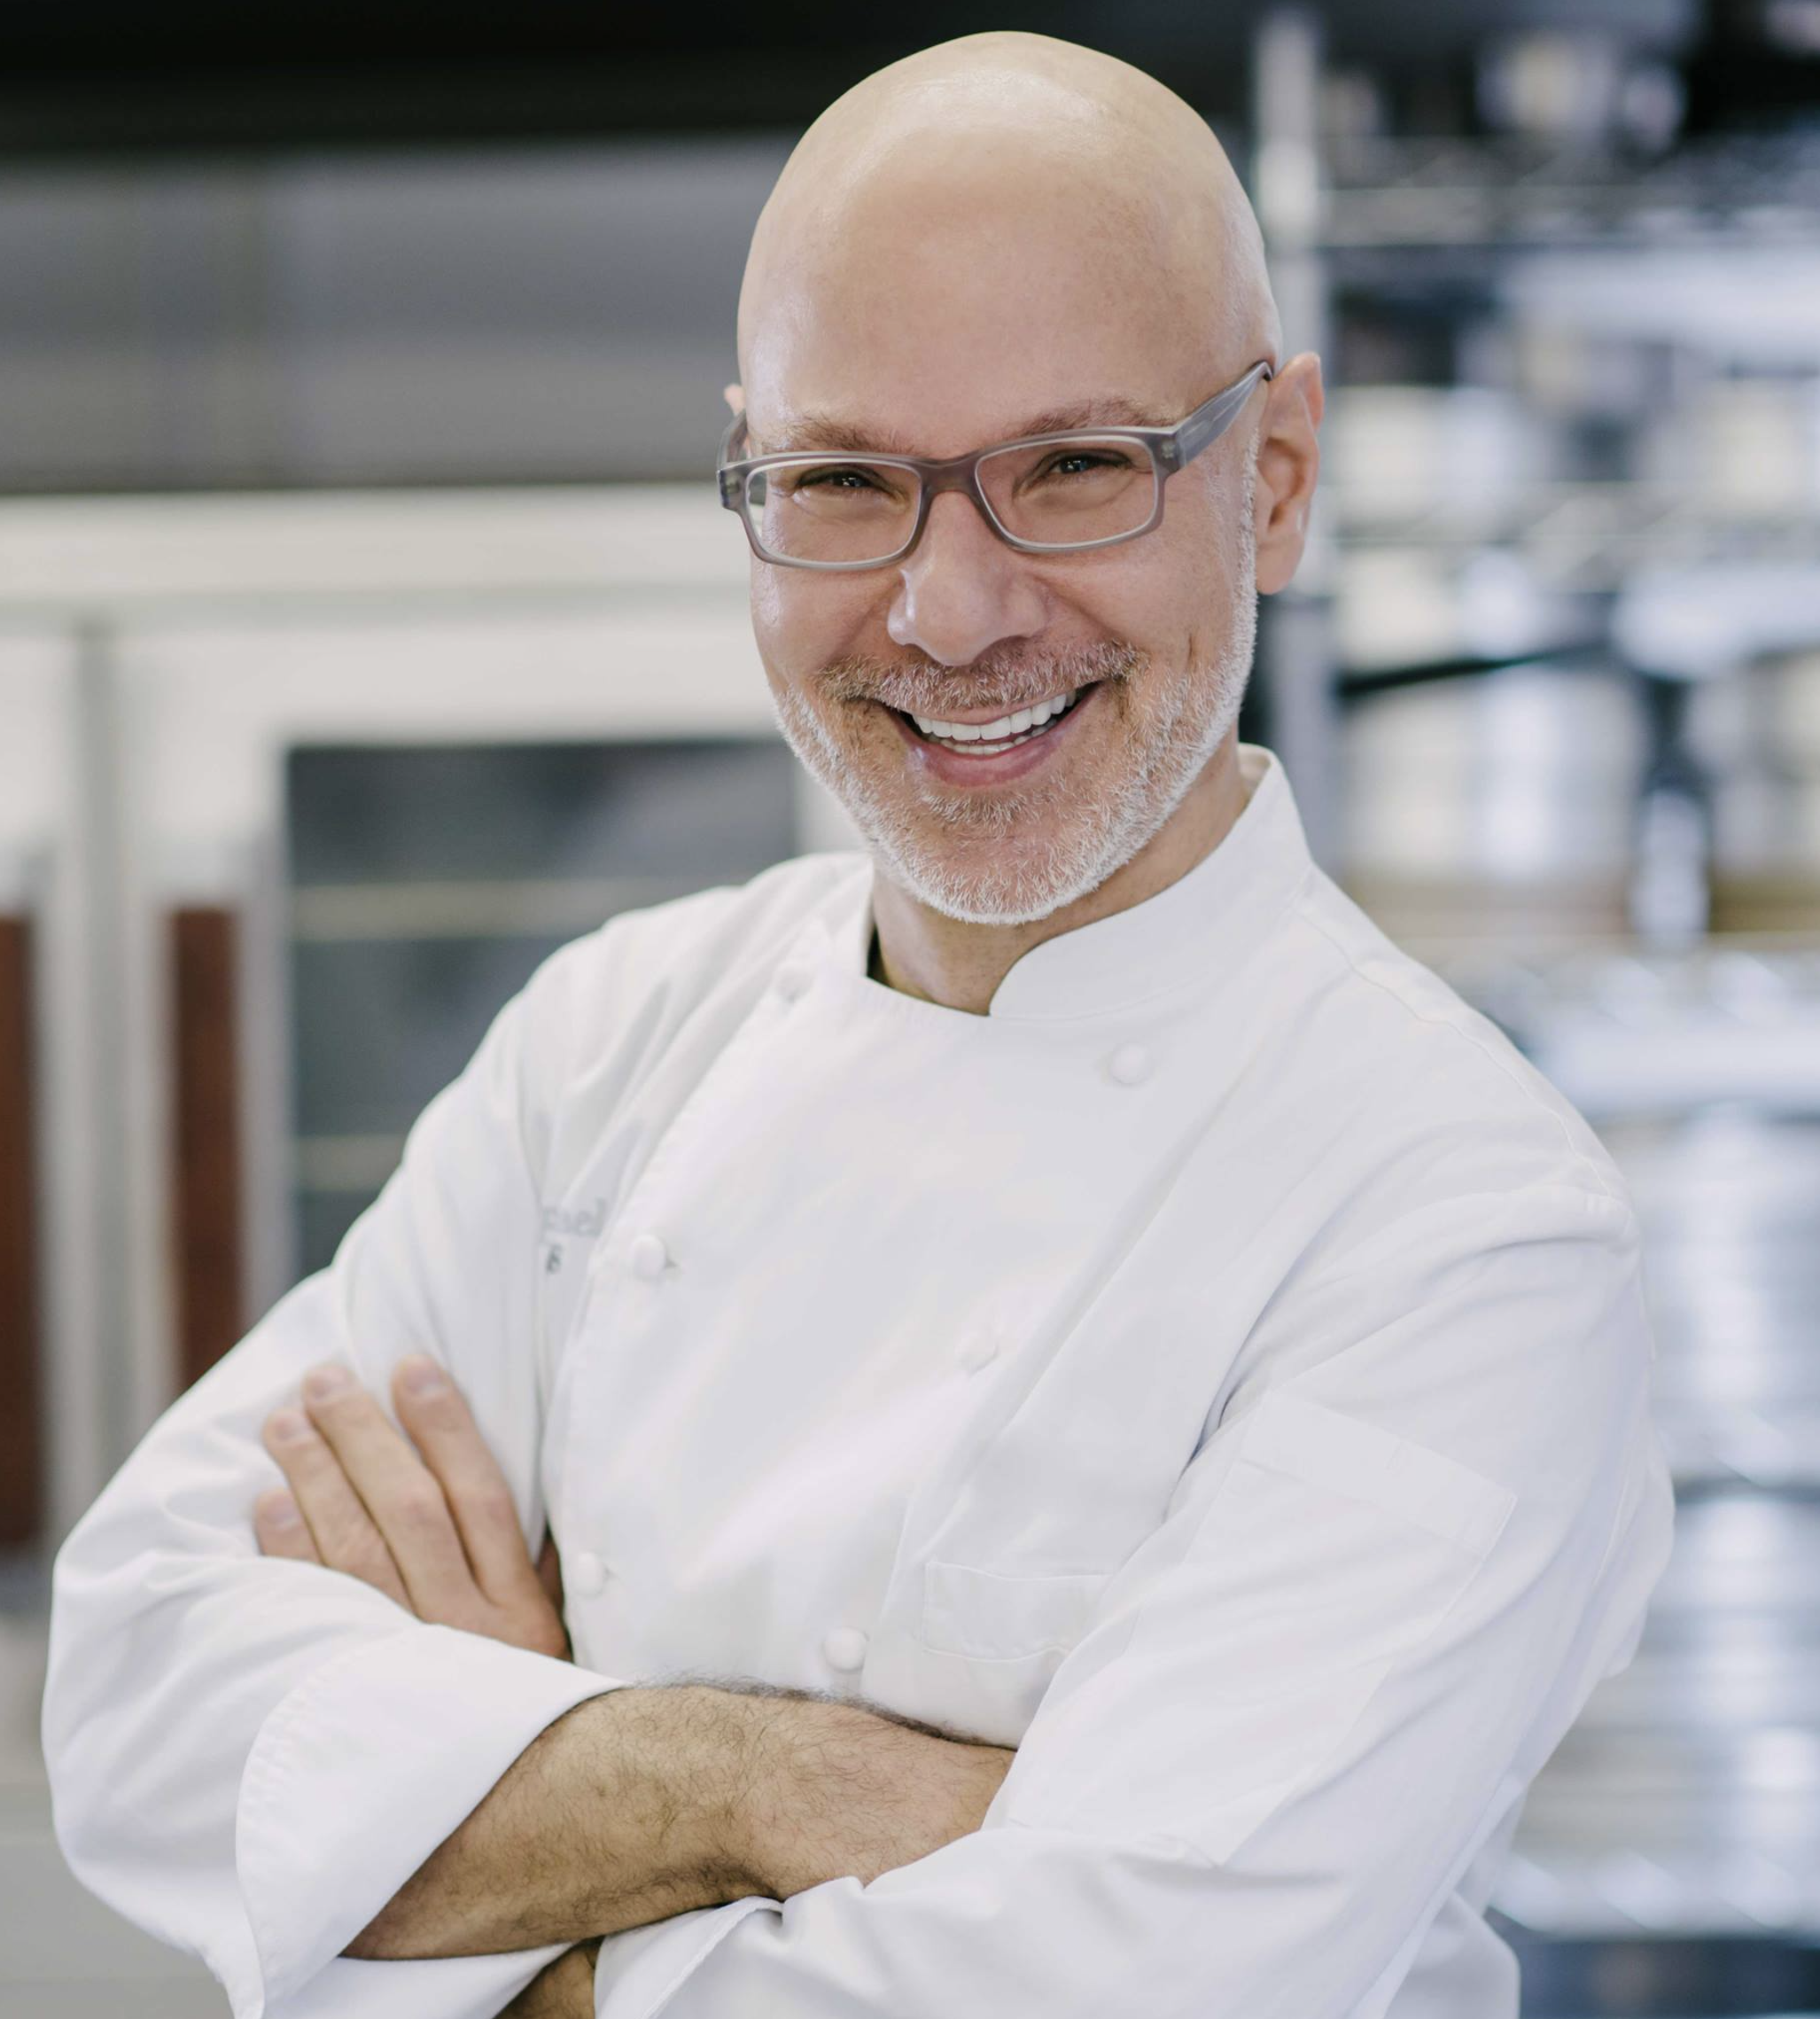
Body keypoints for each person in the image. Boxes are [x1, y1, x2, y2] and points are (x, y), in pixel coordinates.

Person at [43, 29, 1675, 2019]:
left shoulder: (1458, 1225)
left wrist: (466, 1855)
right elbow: (134, 1704)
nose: (949, 612)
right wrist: (756, 1780)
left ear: (1273, 478)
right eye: (842, 482)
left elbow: (1108, 1992)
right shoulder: (611, 1042)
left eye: (1072, 467)